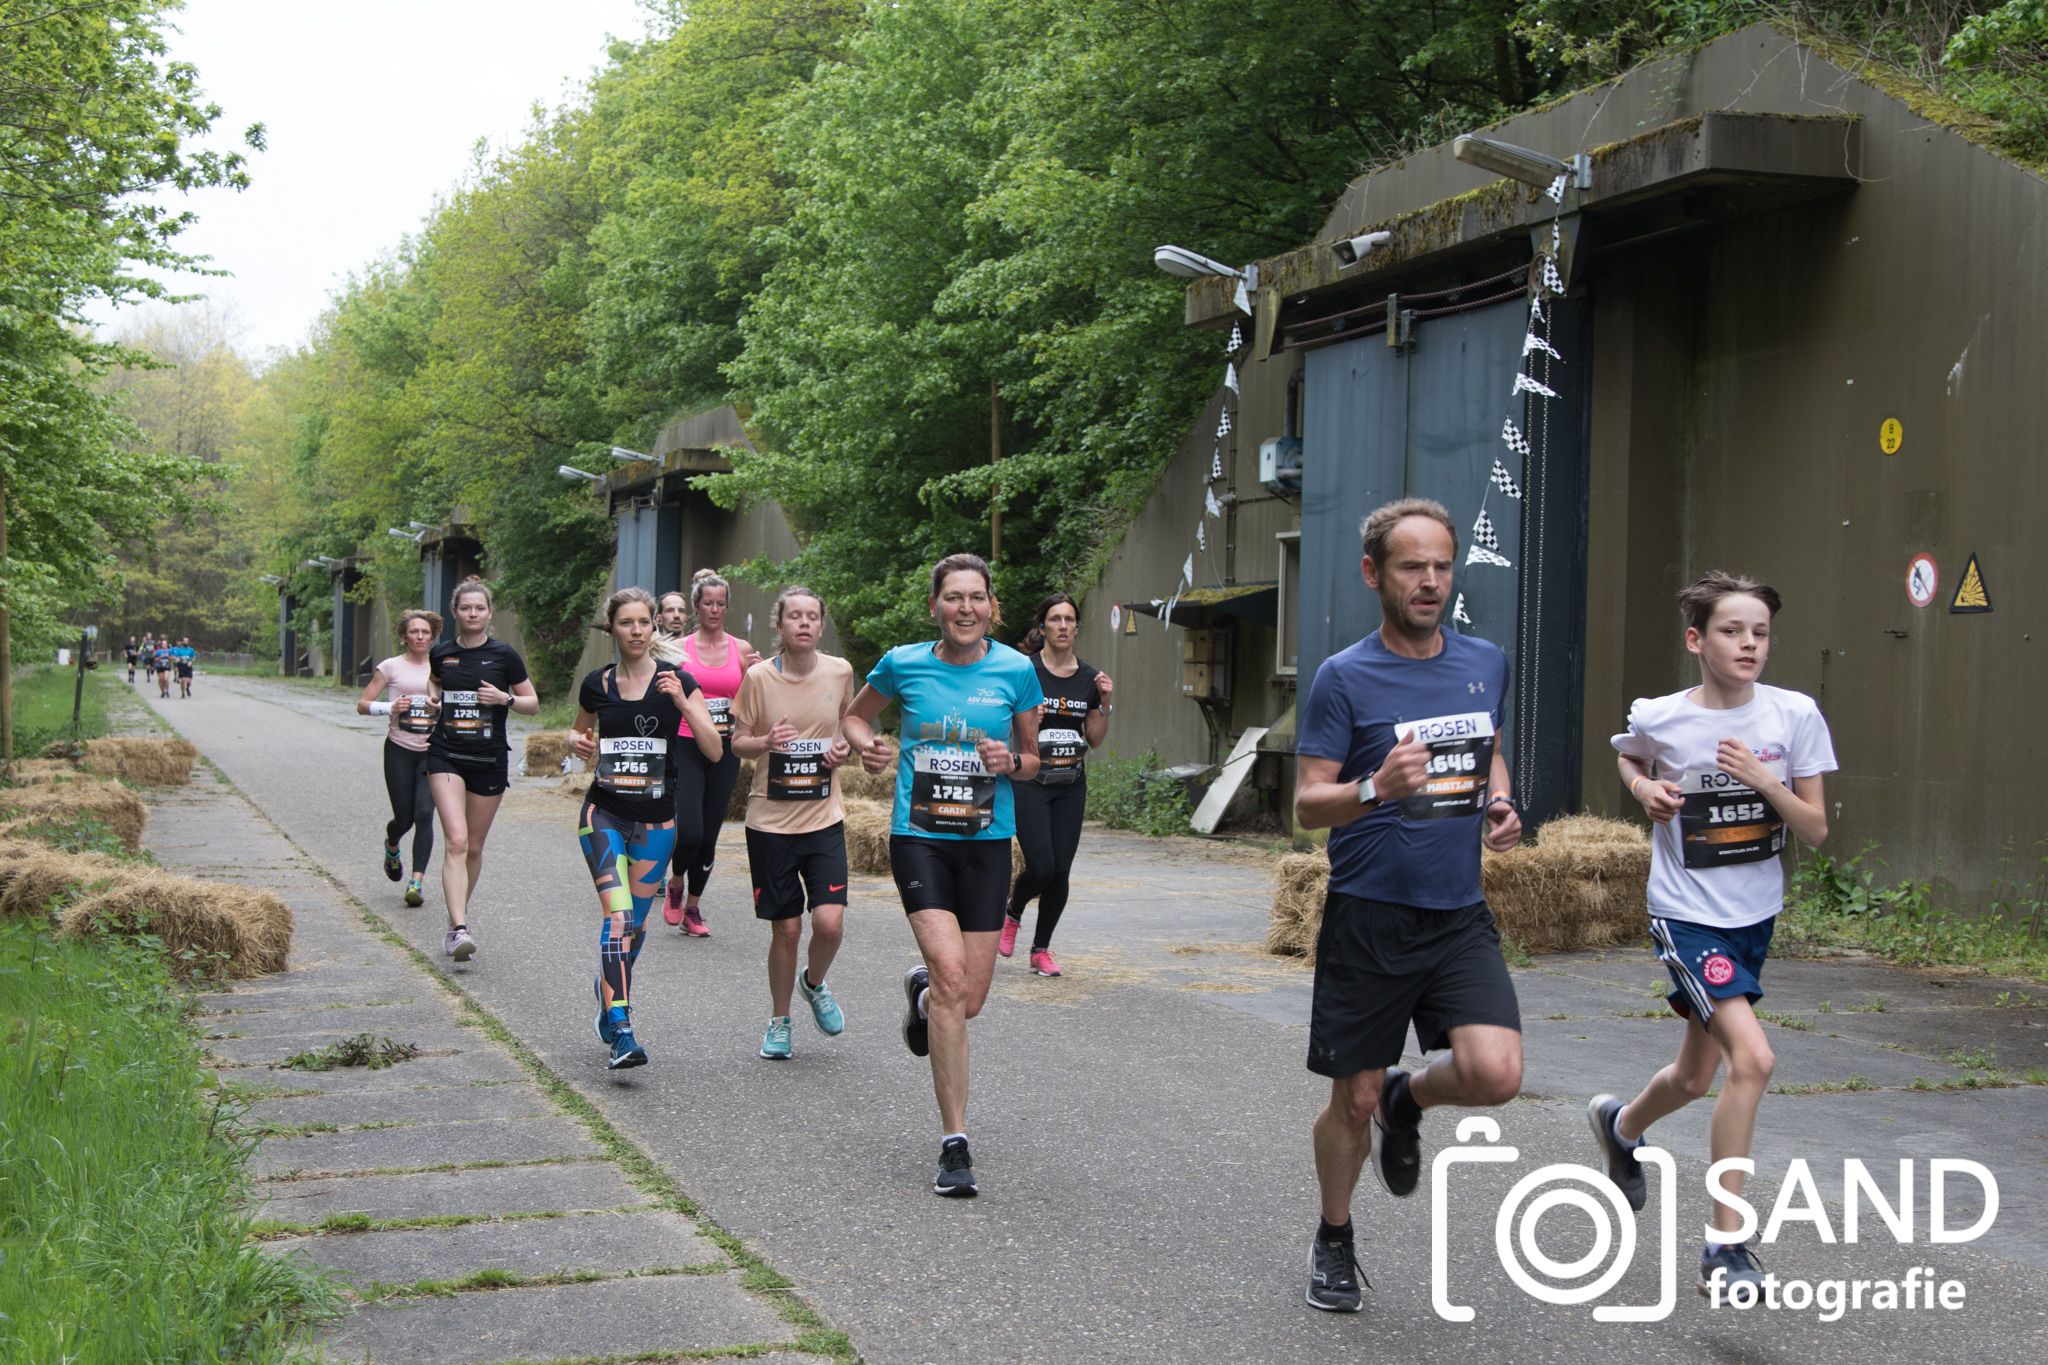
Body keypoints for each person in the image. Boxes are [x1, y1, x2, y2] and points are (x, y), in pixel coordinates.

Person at [1292, 497, 1525, 1312]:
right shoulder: (1343, 676)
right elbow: (1308, 803)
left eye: (1441, 566)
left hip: (1457, 910)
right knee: (1347, 1099)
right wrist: (1373, 787)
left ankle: (1408, 1095)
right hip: (1370, 913)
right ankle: (1334, 1232)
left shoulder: (1486, 659)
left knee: (1497, 1073)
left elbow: (1488, 745)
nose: (1430, 582)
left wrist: (1499, 801)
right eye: (1411, 567)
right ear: (1373, 574)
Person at [1588, 571, 1835, 1298]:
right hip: (1685, 912)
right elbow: (1630, 753)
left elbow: (1816, 828)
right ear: (1697, 640)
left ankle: (1621, 1125)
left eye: (1760, 631)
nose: (1749, 644)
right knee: (1752, 1058)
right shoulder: (1663, 715)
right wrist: (1643, 790)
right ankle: (1725, 1244)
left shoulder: (1795, 715)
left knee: (1697, 1075)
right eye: (1733, 630)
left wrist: (1763, 777)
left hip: (1753, 915)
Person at [841, 553, 1042, 1197]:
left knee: (966, 999)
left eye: (976, 598)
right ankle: (955, 1143)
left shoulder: (1015, 670)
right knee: (956, 981)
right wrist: (867, 745)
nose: (965, 609)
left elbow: (1035, 760)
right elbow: (856, 714)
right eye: (953, 598)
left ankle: (922, 998)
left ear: (991, 607)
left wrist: (1009, 758)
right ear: (935, 606)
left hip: (987, 844)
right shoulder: (903, 662)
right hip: (919, 838)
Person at [571, 587, 724, 1071]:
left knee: (634, 928)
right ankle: (621, 1026)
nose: (636, 631)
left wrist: (682, 701)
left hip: (657, 822)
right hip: (604, 815)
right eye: (626, 623)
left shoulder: (677, 681)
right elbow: (580, 734)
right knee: (617, 919)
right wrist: (576, 743)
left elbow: (715, 750)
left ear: (654, 627)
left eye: (644, 623)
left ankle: (607, 989)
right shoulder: (597, 684)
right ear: (612, 629)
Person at [731, 585, 855, 1061]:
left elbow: (850, 722)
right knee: (785, 930)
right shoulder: (758, 678)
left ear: (821, 626)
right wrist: (764, 742)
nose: (803, 623)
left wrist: (843, 746)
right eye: (794, 616)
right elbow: (736, 741)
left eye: (812, 617)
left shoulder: (839, 671)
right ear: (780, 625)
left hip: (824, 817)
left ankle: (815, 983)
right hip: (770, 823)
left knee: (828, 923)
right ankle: (779, 1021)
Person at [426, 577, 539, 962]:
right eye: (465, 608)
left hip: (489, 759)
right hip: (446, 754)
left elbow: (532, 703)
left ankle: (456, 917)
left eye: (479, 608)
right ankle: (459, 929)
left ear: (489, 613)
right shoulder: (441, 653)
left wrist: (504, 698)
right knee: (455, 841)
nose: (472, 614)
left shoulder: (504, 655)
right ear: (455, 612)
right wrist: (433, 700)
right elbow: (435, 682)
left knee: (473, 846)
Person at [1000, 593, 1113, 978]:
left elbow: (1095, 739)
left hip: (1070, 784)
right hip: (1031, 781)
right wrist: (1030, 717)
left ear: (1076, 628)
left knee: (1061, 872)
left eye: (1069, 620)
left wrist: (1106, 703)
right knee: (1042, 865)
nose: (1063, 626)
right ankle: (1012, 911)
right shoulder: (1024, 671)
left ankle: (1041, 950)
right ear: (1043, 627)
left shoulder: (1090, 678)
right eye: (1055, 619)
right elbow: (1007, 727)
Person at [663, 569, 758, 938]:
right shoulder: (679, 650)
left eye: (720, 603)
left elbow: (751, 696)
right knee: (689, 830)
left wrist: (756, 675)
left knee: (710, 834)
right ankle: (675, 883)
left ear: (727, 607)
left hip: (726, 746)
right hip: (687, 742)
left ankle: (693, 907)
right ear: (695, 607)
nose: (714, 609)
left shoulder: (742, 649)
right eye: (707, 603)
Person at [358, 609, 443, 908]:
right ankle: (392, 844)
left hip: (432, 751)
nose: (420, 636)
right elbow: (363, 704)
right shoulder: (391, 667)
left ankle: (416, 882)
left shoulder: (442, 665)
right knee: (404, 819)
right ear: (404, 636)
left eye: (425, 632)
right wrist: (391, 707)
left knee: (424, 814)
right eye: (414, 632)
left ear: (432, 636)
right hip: (399, 749)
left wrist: (439, 709)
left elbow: (456, 703)